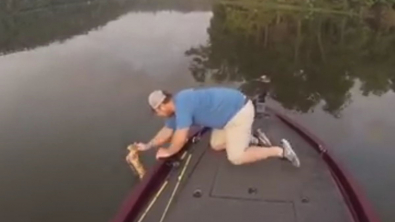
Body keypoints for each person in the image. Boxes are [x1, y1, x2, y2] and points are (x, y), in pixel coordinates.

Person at [132, 87, 300, 167]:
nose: (159, 115)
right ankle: (250, 138)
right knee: (216, 145)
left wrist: (169, 152)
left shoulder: (183, 104)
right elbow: (167, 132)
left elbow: (180, 137)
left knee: (236, 157)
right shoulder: (175, 110)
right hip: (224, 119)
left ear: (161, 107)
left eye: (157, 112)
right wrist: (148, 145)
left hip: (239, 112)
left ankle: (281, 151)